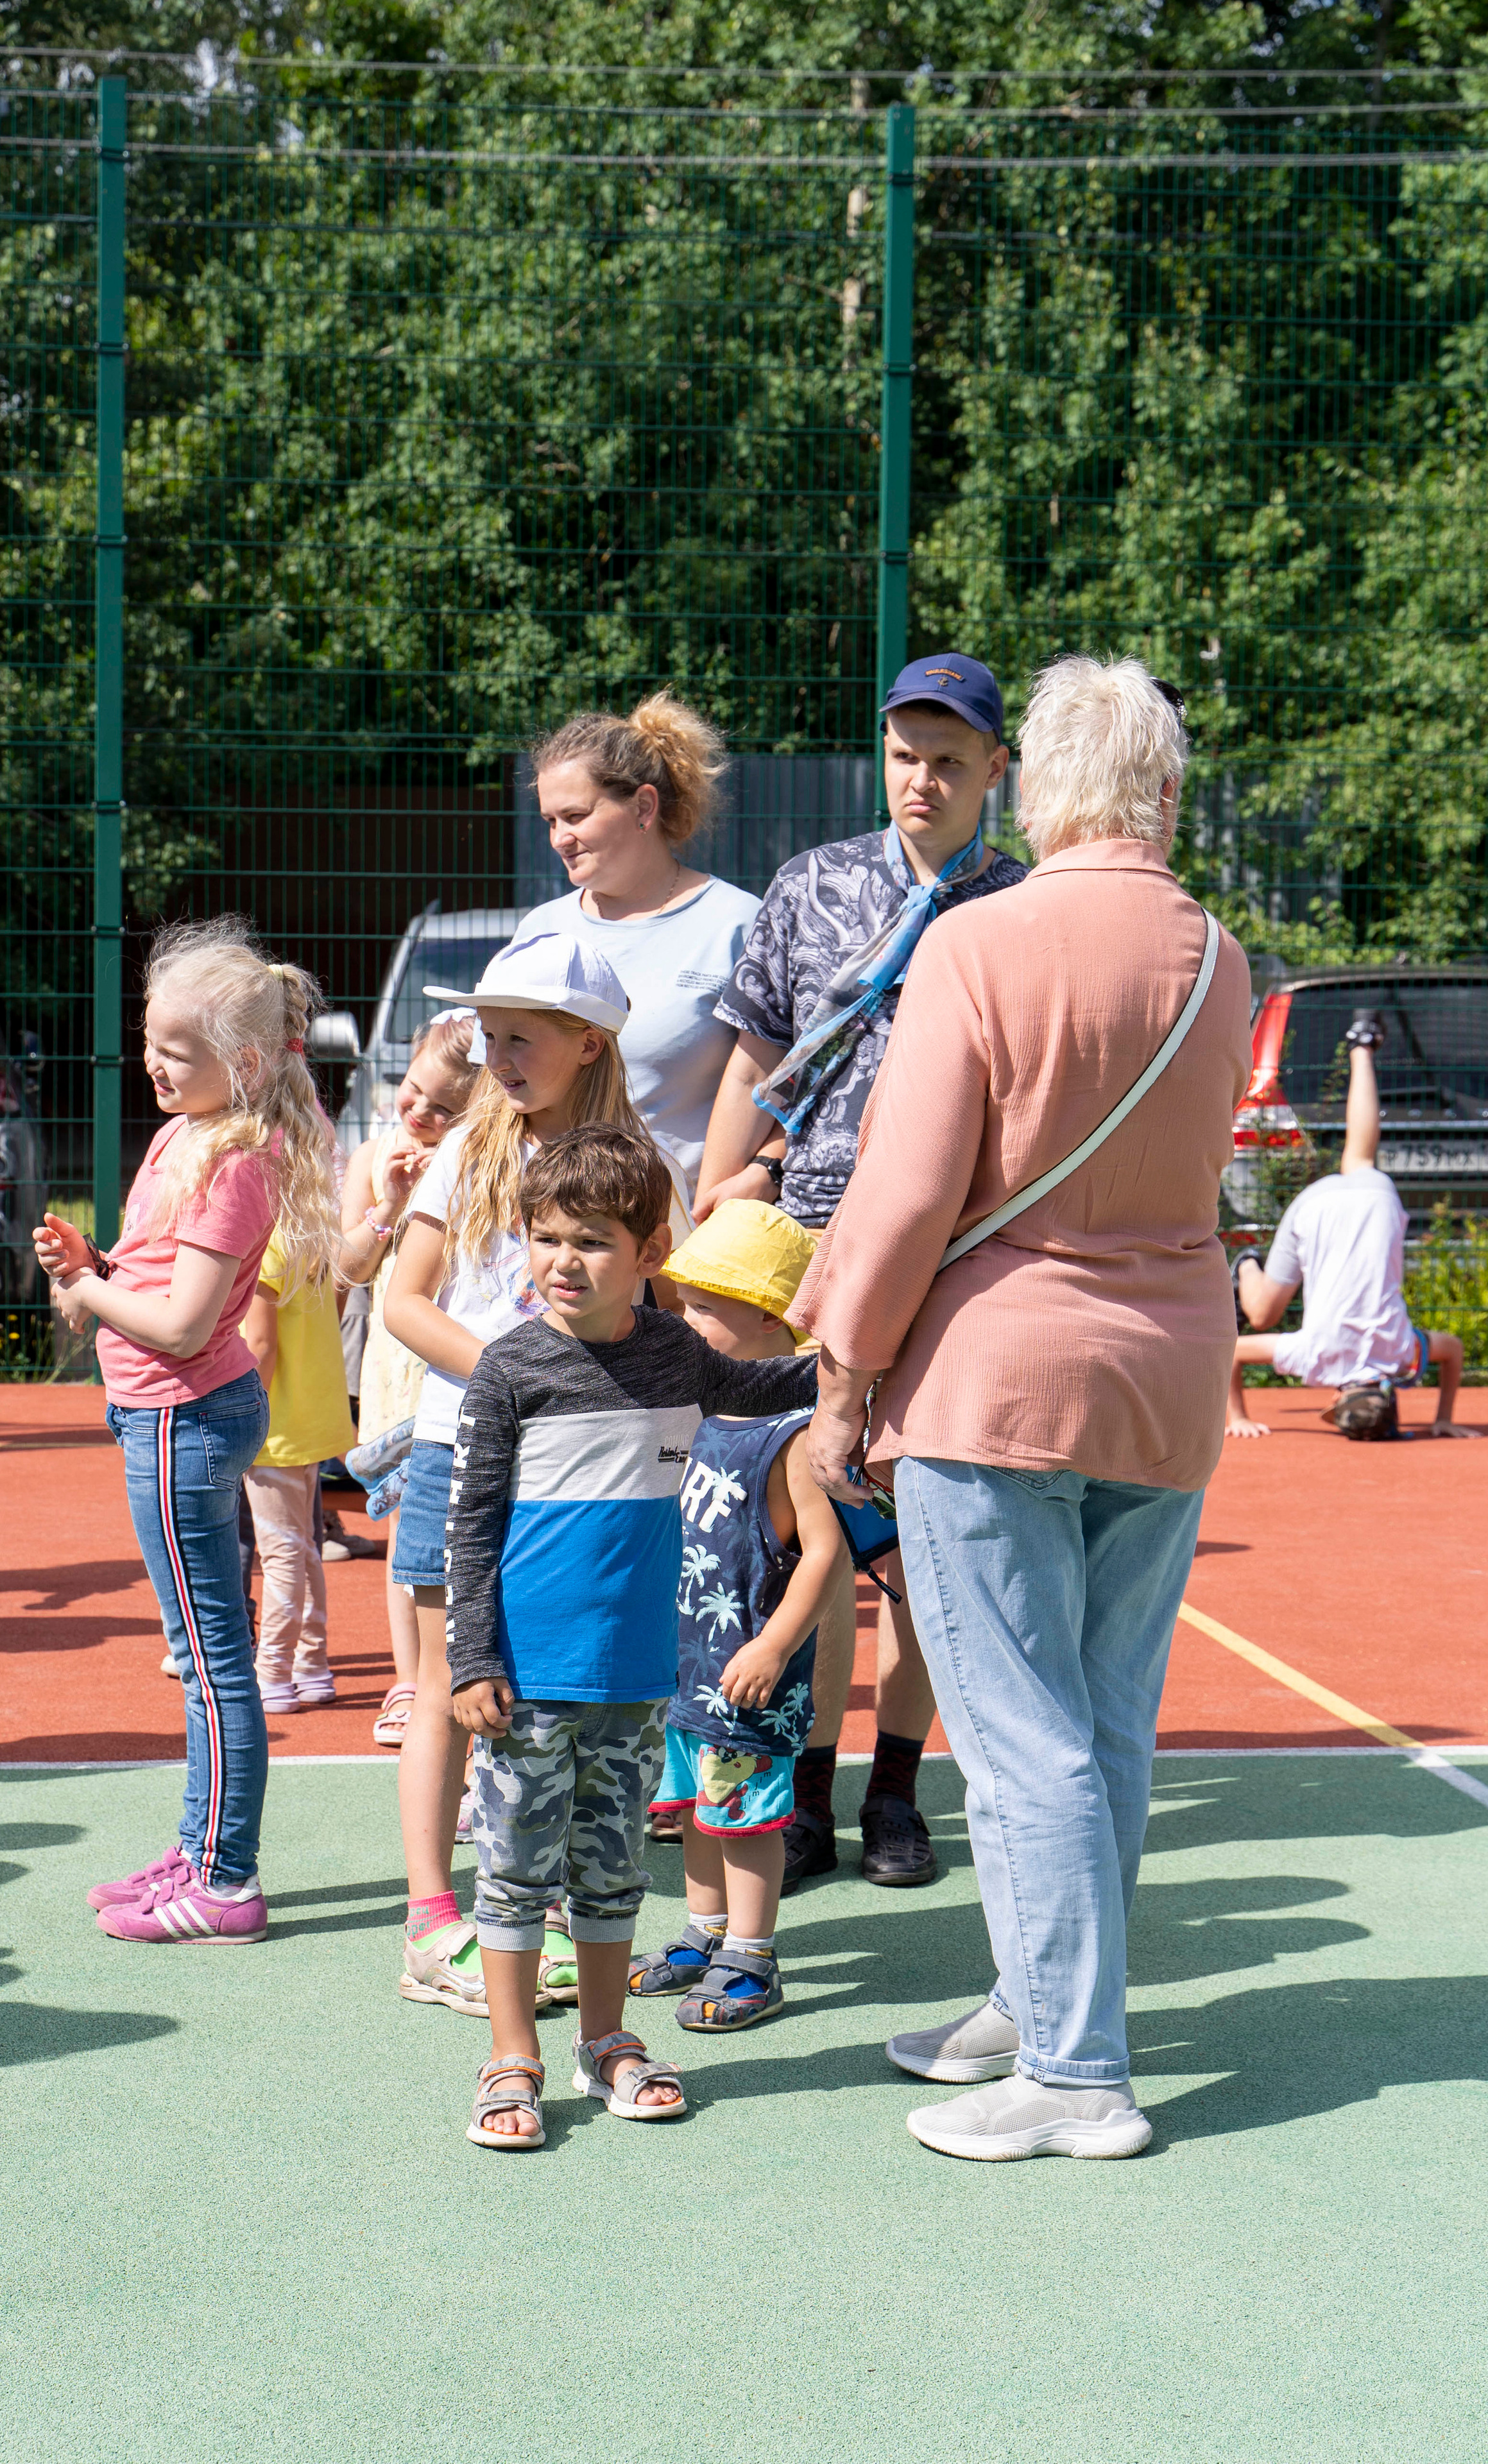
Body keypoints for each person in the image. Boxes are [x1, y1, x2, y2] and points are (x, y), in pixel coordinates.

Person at [794, 654, 1252, 2162]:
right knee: (1103, 1722)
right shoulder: (1218, 955)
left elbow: (905, 1193)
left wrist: (841, 1378)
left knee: (1017, 1734)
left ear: (1032, 785)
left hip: (994, 1377)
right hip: (1165, 1374)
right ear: (1161, 789)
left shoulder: (977, 943)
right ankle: (1041, 2003)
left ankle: (1070, 2067)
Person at [695, 653, 1027, 1894]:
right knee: (808, 1524)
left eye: (948, 761)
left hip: (956, 1257)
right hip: (807, 1250)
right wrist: (717, 1209)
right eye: (903, 756)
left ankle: (897, 1786)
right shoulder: (813, 884)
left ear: (995, 769)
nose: (921, 780)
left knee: (926, 1531)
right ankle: (806, 1790)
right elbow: (755, 1057)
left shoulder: (1021, 908)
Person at [445, 1129, 820, 2148]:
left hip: (640, 1678)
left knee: (611, 1868)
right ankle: (511, 2055)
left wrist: (857, 1354)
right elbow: (469, 1525)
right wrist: (472, 1660)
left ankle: (605, 2039)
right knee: (517, 1871)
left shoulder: (675, 1355)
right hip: (528, 1679)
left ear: (651, 1251)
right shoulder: (510, 1370)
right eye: (546, 1238)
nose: (563, 1261)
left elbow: (763, 1388)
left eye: (593, 1242)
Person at [382, 932, 692, 2019]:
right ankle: (433, 1922)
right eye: (489, 1036)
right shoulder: (471, 1151)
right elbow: (402, 1300)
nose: (497, 1056)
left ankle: (550, 1912)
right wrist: (521, 1380)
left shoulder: (644, 1168)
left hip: (595, 1480)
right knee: (446, 1682)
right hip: (459, 1450)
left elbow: (668, 1318)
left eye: (520, 1037)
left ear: (588, 1043)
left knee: (567, 1688)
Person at [37, 919, 340, 1946]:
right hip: (170, 1416)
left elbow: (182, 1324)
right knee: (201, 1654)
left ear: (244, 1064)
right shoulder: (189, 1134)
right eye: (150, 1041)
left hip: (185, 1423)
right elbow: (155, 1273)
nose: (154, 1064)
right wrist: (96, 1265)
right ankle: (198, 1847)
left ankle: (223, 1880)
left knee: (210, 1661)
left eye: (178, 1050)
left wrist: (87, 1290)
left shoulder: (235, 1163)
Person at [627, 1201, 850, 2032]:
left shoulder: (794, 1434)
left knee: (745, 1814)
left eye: (704, 1309)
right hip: (687, 1663)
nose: (684, 1324)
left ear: (767, 1318)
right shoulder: (697, 1410)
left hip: (748, 1671)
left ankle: (752, 1956)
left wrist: (775, 1646)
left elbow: (823, 1554)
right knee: (697, 1805)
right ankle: (705, 1932)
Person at [520, 694, 762, 1188]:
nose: (559, 838)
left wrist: (758, 1178)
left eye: (575, 816)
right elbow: (493, 1090)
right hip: (544, 1220)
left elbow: (785, 1087)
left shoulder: (738, 924)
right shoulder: (539, 930)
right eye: (550, 821)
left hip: (688, 1220)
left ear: (644, 807)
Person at [1228, 1013, 1475, 1441]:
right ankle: (1247, 1264)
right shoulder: (1313, 1360)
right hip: (1314, 1211)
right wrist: (1237, 1418)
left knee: (1359, 1156)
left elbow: (1452, 1350)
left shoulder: (1402, 1355)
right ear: (1336, 1399)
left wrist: (1444, 1418)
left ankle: (1362, 1046)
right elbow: (1233, 1352)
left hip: (1375, 1202)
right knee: (1262, 1316)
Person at [337, 1011, 479, 1743]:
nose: (419, 1111)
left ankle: (466, 1672)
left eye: (444, 1108)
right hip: (397, 1373)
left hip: (458, 1368)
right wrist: (388, 1207)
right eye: (414, 1090)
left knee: (472, 1526)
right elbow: (349, 1267)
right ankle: (409, 1680)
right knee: (405, 1528)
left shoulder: (481, 1164)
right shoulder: (372, 1157)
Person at [239, 1229, 357, 1715]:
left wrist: (245, 1418)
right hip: (313, 1419)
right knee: (304, 1549)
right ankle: (312, 1666)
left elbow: (260, 1344)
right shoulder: (311, 1238)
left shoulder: (263, 1245)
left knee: (283, 1554)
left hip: (275, 1428)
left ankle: (273, 1672)